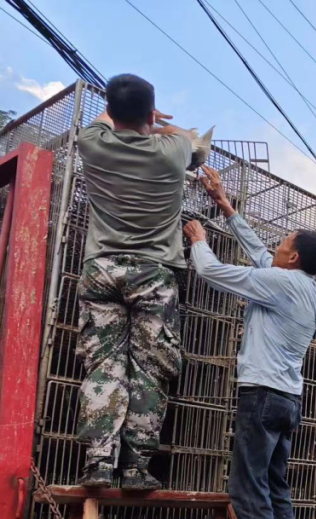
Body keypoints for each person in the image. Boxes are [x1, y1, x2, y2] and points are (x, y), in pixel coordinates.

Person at [184, 165, 316, 519]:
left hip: (261, 395)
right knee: (276, 486)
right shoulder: (309, 292)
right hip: (288, 400)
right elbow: (262, 257)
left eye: (284, 243)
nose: (277, 246)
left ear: (295, 259)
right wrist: (226, 207)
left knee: (248, 488)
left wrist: (199, 240)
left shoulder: (280, 283)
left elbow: (213, 273)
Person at [75, 74, 197, 490]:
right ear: (150, 112)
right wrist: (159, 123)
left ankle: (98, 464)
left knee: (103, 366)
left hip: (101, 269)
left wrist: (129, 113)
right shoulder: (171, 153)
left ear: (111, 108)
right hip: (154, 272)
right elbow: (187, 136)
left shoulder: (92, 143)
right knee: (150, 369)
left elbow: (105, 119)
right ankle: (135, 467)